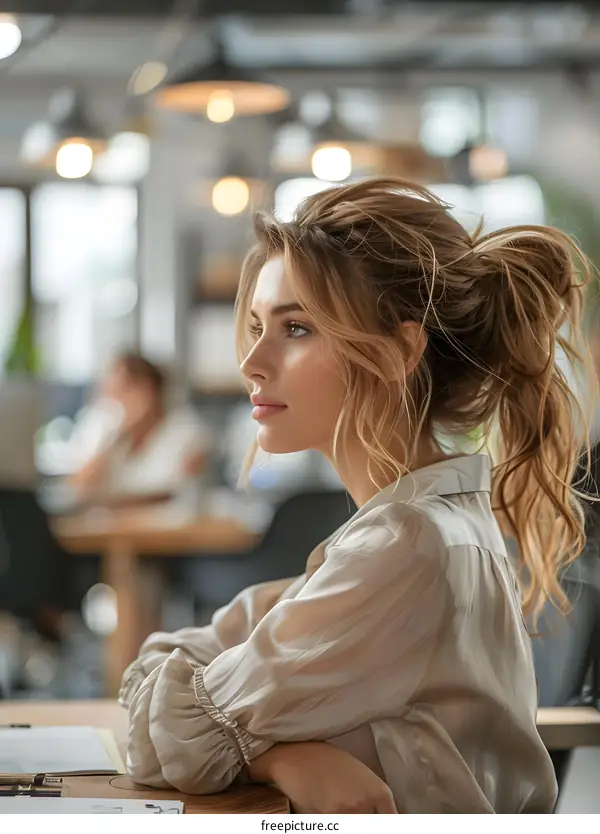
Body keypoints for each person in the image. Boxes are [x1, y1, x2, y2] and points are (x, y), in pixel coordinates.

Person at [118, 178, 594, 813]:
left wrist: (256, 744)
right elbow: (166, 675)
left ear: (398, 353)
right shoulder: (419, 525)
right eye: (258, 325)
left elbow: (169, 736)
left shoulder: (406, 545)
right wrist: (280, 753)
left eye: (297, 328)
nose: (252, 362)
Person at [68, 353, 211, 509]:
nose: (119, 401)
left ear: (151, 391)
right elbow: (79, 489)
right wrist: (115, 436)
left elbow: (182, 493)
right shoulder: (104, 428)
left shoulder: (186, 431)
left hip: (163, 529)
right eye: (115, 393)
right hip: (107, 529)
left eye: (126, 390)